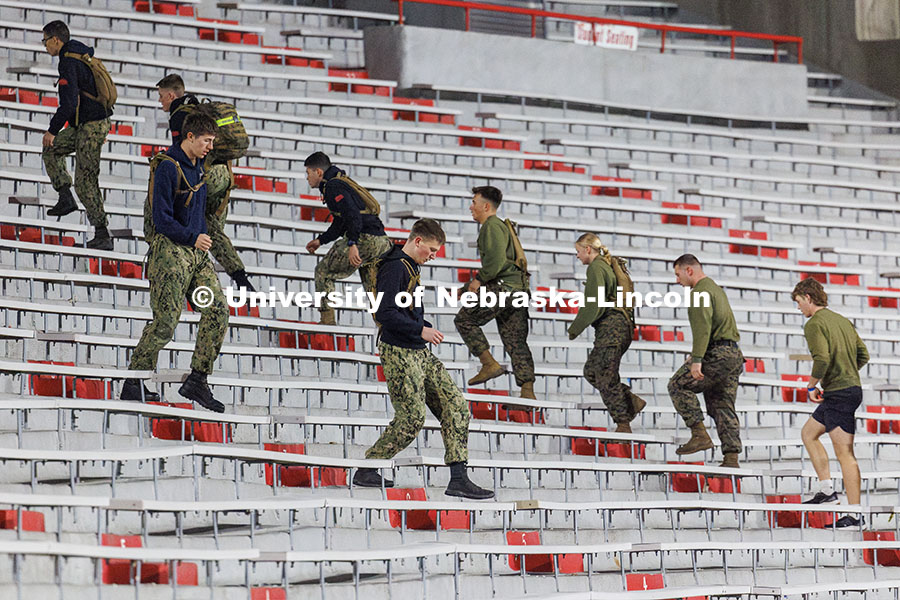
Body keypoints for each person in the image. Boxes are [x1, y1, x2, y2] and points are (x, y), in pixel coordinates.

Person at [353, 218, 493, 500]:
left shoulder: (410, 265)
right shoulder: (394, 267)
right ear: (417, 241)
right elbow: (385, 314)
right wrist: (421, 329)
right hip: (399, 351)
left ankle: (458, 478)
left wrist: (421, 325)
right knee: (412, 418)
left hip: (418, 349)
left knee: (455, 405)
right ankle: (368, 467)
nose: (433, 256)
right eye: (430, 250)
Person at [120, 112, 229, 413]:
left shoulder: (200, 169)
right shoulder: (167, 167)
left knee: (218, 310)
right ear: (189, 137)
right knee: (165, 323)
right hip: (170, 254)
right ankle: (134, 380)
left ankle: (198, 378)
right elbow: (161, 219)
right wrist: (193, 237)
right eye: (206, 141)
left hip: (196, 257)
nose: (209, 147)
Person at [156, 74, 254, 292]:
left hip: (207, 174)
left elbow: (182, 155)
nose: (160, 101)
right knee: (210, 227)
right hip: (225, 174)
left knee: (169, 206)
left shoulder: (179, 114)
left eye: (161, 96)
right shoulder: (199, 109)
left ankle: (176, 268)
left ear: (171, 95)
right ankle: (240, 276)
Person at [794, 277, 869, 528]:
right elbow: (863, 355)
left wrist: (812, 384)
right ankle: (826, 490)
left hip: (839, 393)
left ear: (807, 298)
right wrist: (845, 371)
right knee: (808, 433)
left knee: (845, 454)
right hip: (847, 389)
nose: (798, 309)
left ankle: (855, 514)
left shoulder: (814, 323)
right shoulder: (842, 320)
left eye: (798, 303)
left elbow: (822, 359)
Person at [454, 186, 536, 400]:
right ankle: (528, 393)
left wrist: (477, 280)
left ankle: (488, 363)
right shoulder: (500, 226)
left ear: (486, 206)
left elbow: (496, 262)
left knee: (464, 319)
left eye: (474, 202)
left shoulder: (491, 226)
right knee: (516, 341)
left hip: (502, 288)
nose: (471, 207)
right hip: (517, 290)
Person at [40, 20, 113, 250]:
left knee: (85, 181)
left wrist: (52, 130)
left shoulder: (69, 62)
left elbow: (69, 103)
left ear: (55, 40)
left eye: (45, 41)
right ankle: (65, 197)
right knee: (51, 150)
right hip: (87, 125)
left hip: (91, 126)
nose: (44, 47)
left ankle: (102, 233)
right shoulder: (78, 55)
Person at [668, 254, 744, 468]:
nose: (677, 280)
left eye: (678, 274)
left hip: (716, 354)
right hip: (733, 354)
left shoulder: (699, 292)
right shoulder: (715, 289)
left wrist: (697, 360)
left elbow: (702, 329)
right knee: (722, 404)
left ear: (689, 270)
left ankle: (699, 434)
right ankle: (731, 457)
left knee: (677, 385)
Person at [567, 233, 646, 433]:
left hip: (612, 329)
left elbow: (594, 305)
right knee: (591, 371)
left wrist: (575, 328)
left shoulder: (596, 267)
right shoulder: (605, 265)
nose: (577, 256)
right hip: (618, 328)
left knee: (605, 375)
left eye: (578, 251)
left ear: (587, 250)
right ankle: (631, 402)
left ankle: (623, 423)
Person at [304, 152, 392, 325]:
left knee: (323, 272)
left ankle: (327, 321)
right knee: (374, 291)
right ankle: (388, 329)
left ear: (319, 172)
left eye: (308, 173)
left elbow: (352, 216)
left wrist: (352, 243)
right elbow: (341, 222)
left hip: (364, 239)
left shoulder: (333, 187)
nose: (307, 178)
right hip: (382, 242)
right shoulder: (339, 182)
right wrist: (321, 240)